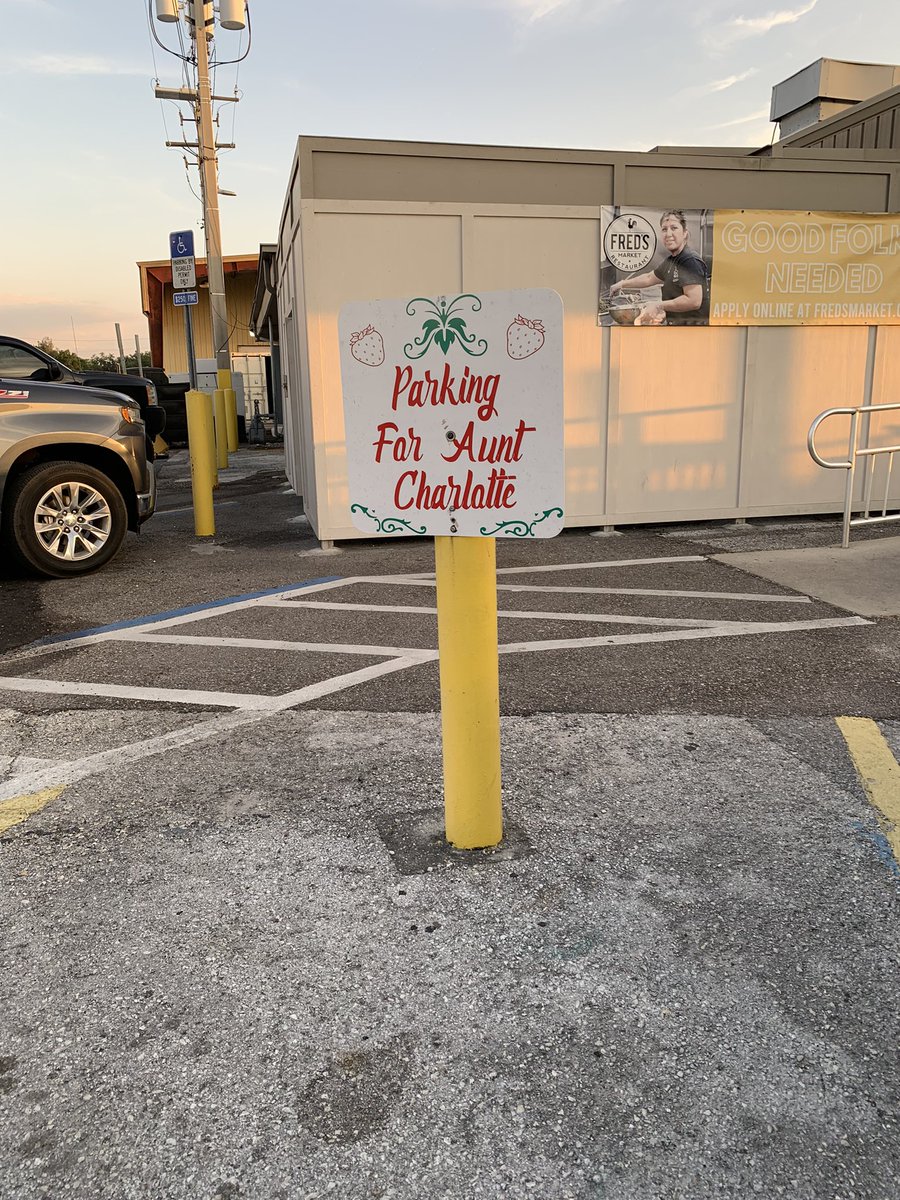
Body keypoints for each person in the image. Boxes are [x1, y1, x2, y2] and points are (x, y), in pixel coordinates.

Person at [610, 210, 710, 325]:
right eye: (664, 229)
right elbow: (649, 278)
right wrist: (622, 284)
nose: (668, 234)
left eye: (674, 228)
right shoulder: (672, 260)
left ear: (684, 233)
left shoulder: (689, 260)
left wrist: (658, 305)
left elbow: (693, 301)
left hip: (693, 330)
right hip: (678, 326)